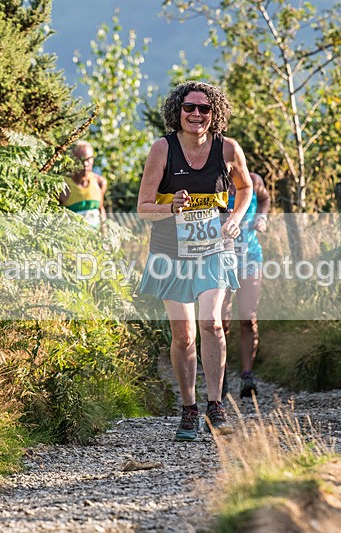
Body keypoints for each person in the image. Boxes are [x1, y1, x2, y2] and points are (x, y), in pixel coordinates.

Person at [136, 81, 253, 441]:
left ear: (214, 114)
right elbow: (143, 208)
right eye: (190, 107)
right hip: (171, 253)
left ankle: (215, 406)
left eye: (204, 109)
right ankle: (189, 410)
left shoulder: (228, 149)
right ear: (178, 112)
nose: (196, 114)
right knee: (184, 336)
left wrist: (234, 219)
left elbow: (245, 188)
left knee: (212, 324)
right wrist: (170, 206)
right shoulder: (163, 149)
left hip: (214, 249)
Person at [221, 172, 270, 399]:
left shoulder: (253, 180)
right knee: (221, 321)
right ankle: (219, 378)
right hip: (220, 258)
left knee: (248, 319)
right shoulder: (213, 180)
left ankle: (247, 376)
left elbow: (264, 198)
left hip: (250, 258)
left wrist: (262, 217)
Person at [59, 140, 107, 227]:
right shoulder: (62, 186)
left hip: (96, 239)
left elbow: (101, 210)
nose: (85, 164)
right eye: (80, 160)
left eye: (88, 160)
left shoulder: (99, 182)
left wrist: (106, 237)